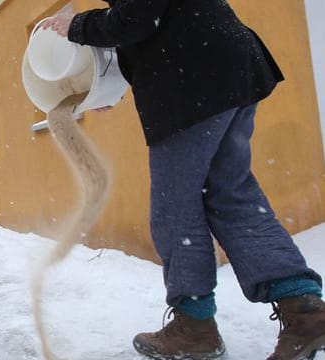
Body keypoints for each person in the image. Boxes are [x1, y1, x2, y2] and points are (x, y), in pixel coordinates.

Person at [42, 1, 325, 359]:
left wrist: (77, 25)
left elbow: (137, 16)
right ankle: (304, 309)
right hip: (225, 67)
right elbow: (153, 22)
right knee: (230, 195)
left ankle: (194, 327)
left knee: (176, 206)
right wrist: (107, 86)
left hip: (192, 83)